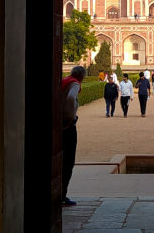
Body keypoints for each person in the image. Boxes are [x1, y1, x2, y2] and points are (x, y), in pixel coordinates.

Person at [61, 65, 85, 206]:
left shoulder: (65, 80)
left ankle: (60, 194)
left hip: (59, 125)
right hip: (67, 126)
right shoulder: (75, 84)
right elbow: (71, 98)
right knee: (68, 162)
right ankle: (62, 195)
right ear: (81, 76)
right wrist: (70, 117)